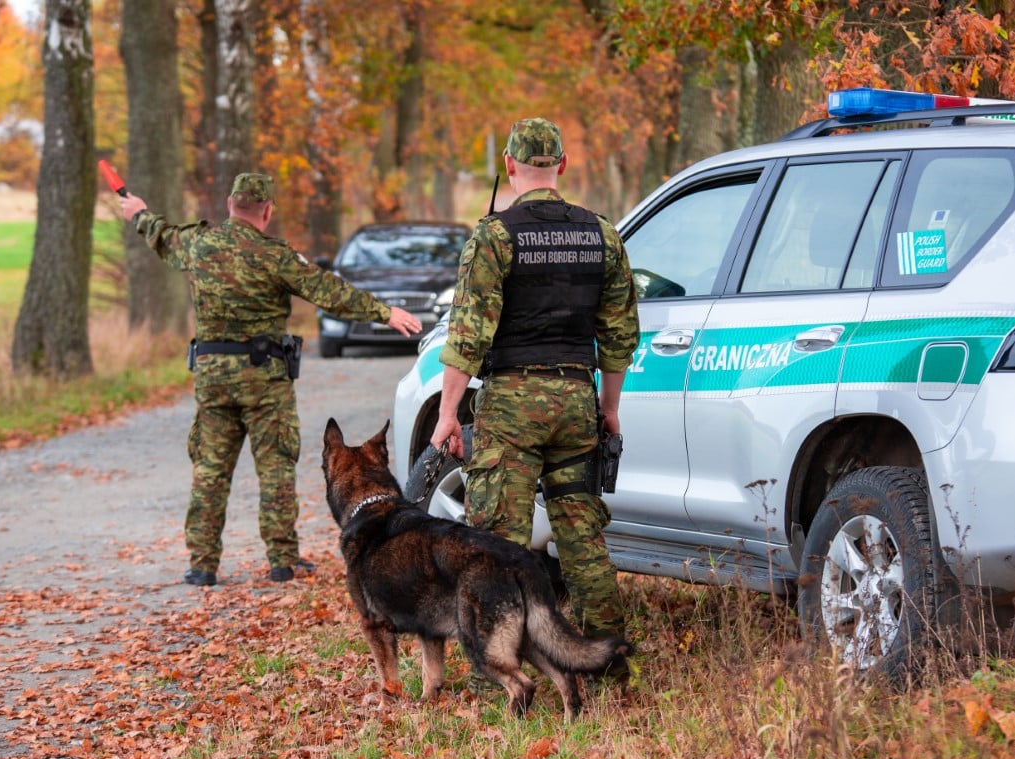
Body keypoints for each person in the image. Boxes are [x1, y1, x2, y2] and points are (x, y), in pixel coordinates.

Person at [117, 173, 422, 587]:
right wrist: (384, 313)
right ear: (267, 211)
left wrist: (138, 213)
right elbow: (328, 291)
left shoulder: (198, 244)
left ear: (229, 204)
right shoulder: (275, 255)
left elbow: (161, 234)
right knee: (275, 467)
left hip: (213, 378)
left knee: (210, 470)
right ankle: (282, 560)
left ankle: (202, 565)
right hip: (264, 380)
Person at [429, 118, 640, 639]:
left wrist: (447, 414)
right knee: (583, 538)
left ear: (508, 166)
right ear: (562, 166)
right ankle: (605, 657)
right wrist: (609, 408)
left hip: (512, 406)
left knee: (499, 542)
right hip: (576, 400)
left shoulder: (495, 237)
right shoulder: (602, 234)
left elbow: (468, 335)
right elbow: (618, 335)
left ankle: (495, 670)